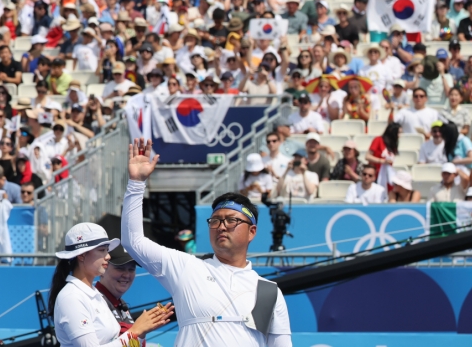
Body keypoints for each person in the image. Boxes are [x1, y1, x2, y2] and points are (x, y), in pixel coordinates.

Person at [122, 138, 292, 345]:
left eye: (231, 220)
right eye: (215, 221)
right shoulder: (187, 268)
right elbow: (133, 242)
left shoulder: (269, 291)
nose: (221, 226)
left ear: (252, 232)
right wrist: (137, 184)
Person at [49, 222, 173, 347]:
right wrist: (135, 331)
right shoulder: (72, 297)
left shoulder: (93, 294)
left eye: (107, 251)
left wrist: (141, 333)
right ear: (82, 255)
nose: (108, 256)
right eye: (102, 250)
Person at [93, 244, 141, 334]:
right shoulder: (94, 301)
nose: (126, 275)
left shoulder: (120, 303)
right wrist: (139, 330)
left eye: (131, 269)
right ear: (102, 270)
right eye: (120, 268)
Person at [366, 122, 401, 187]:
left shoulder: (393, 145)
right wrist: (383, 161)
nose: (400, 135)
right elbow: (367, 156)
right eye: (398, 133)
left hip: (386, 176)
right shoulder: (378, 140)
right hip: (375, 176)